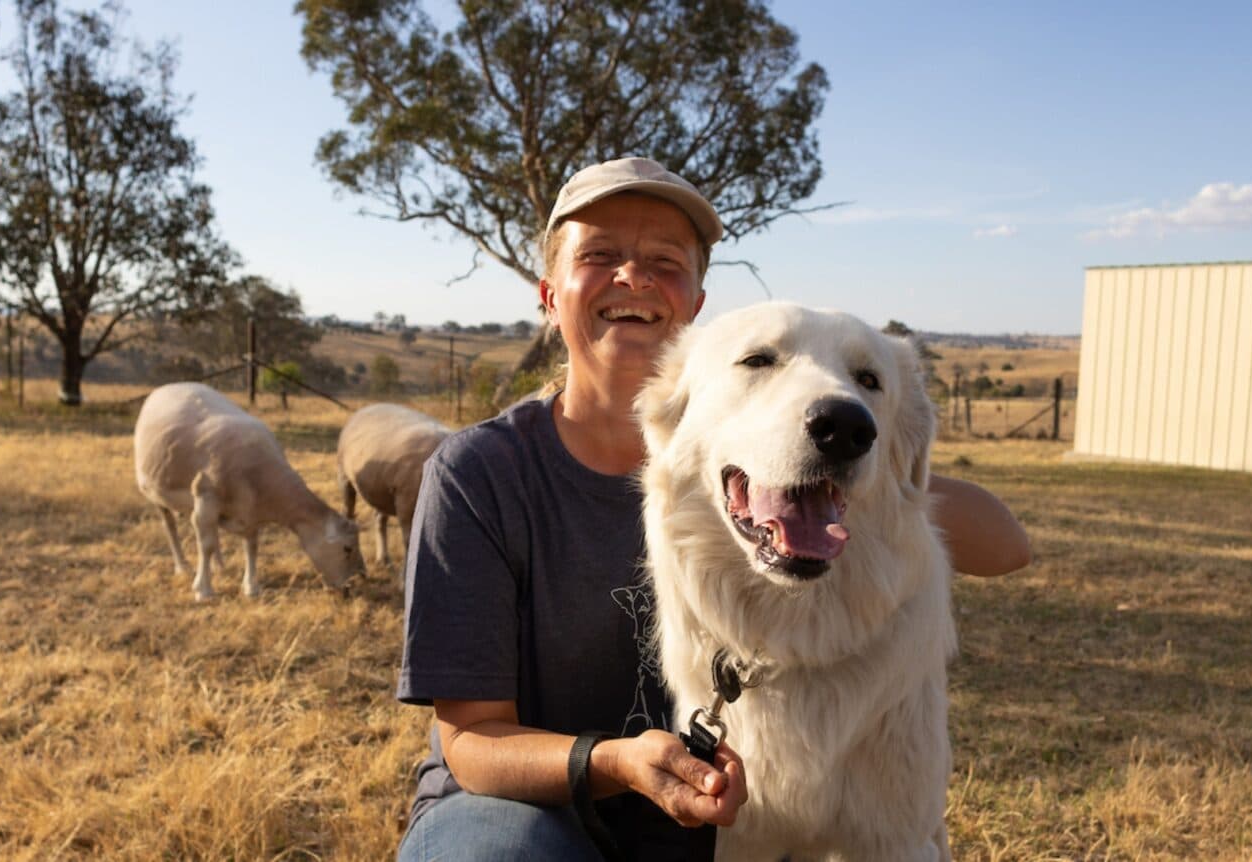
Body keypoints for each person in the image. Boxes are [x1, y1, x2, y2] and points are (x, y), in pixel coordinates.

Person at [395, 157, 1031, 861]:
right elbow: (473, 741)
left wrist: (864, 467)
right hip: (529, 810)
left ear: (695, 305)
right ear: (549, 294)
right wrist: (613, 763)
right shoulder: (481, 473)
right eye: (599, 255)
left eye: (664, 261)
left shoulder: (813, 477)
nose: (632, 277)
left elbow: (1006, 545)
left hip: (697, 831)